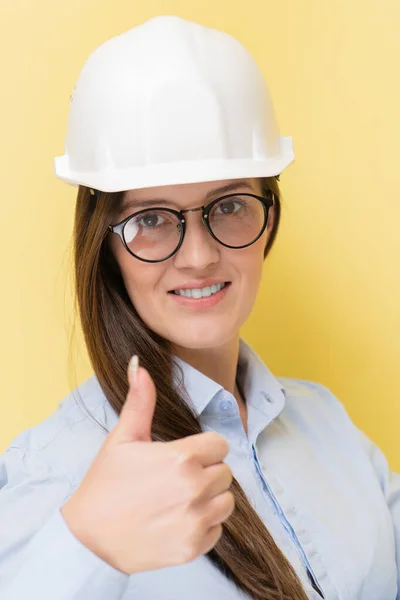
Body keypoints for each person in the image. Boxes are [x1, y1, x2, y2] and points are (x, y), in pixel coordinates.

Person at [0, 14, 398, 600]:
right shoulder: (55, 474)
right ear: (104, 248)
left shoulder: (327, 426)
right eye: (153, 220)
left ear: (269, 216)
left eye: (230, 205)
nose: (200, 257)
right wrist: (83, 547)